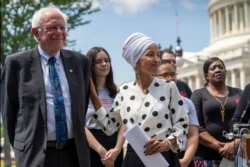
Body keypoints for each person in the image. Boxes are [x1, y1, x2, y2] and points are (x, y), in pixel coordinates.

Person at [0, 5, 91, 167]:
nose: (59, 32)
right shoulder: (16, 63)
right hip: (34, 155)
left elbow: (81, 107)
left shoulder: (80, 62)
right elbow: (9, 112)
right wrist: (23, 147)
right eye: (52, 27)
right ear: (36, 32)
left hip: (73, 154)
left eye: (62, 27)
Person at [91, 32, 189, 167]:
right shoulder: (124, 91)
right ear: (136, 60)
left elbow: (182, 124)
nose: (157, 59)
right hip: (134, 159)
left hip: (163, 158)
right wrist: (92, 94)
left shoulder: (169, 87)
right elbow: (109, 127)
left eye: (157, 55)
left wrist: (165, 144)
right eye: (150, 54)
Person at [190, 57, 242, 167]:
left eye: (221, 67)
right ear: (206, 76)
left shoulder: (239, 93)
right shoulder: (198, 95)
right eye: (213, 68)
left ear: (226, 71)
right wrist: (222, 148)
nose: (218, 70)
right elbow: (195, 127)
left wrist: (235, 143)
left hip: (237, 156)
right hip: (206, 158)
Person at [155, 59, 199, 167]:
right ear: (155, 77)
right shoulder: (149, 102)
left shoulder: (187, 103)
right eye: (164, 75)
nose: (170, 78)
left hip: (182, 156)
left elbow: (193, 135)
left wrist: (185, 160)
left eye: (173, 74)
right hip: (157, 156)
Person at [85, 46, 123, 167]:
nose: (104, 64)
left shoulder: (118, 91)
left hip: (115, 147)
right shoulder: (83, 93)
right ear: (90, 65)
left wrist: (117, 149)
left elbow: (124, 123)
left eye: (107, 60)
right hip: (92, 147)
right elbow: (79, 125)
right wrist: (101, 150)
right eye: (98, 61)